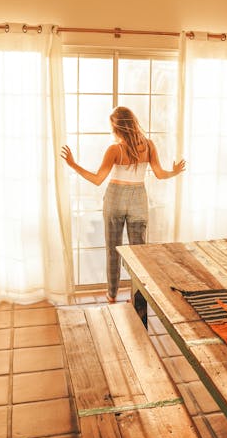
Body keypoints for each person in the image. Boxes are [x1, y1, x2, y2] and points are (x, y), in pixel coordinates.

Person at [61, 106, 185, 303]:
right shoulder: (149, 145)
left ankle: (112, 295)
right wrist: (175, 172)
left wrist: (73, 164)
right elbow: (160, 175)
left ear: (117, 128)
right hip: (138, 199)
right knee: (139, 253)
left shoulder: (114, 149)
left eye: (112, 127)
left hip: (115, 197)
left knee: (113, 249)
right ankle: (139, 298)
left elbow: (97, 179)